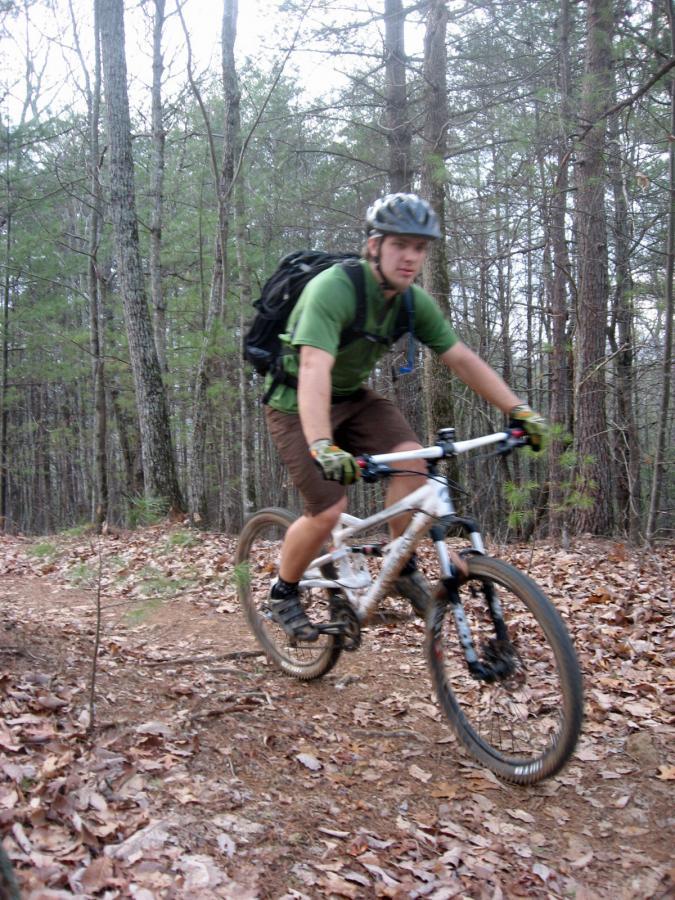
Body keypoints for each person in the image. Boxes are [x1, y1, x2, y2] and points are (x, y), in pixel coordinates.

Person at [264, 193, 547, 641]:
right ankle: (283, 591)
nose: (411, 257)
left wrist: (517, 409)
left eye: (420, 248)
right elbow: (315, 369)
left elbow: (460, 357)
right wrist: (321, 443)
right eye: (401, 245)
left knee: (412, 458)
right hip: (295, 401)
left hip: (354, 396)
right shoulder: (334, 288)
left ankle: (398, 566)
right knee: (328, 508)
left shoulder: (412, 302)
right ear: (374, 245)